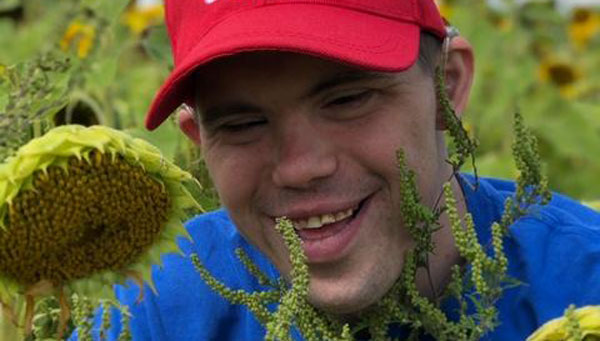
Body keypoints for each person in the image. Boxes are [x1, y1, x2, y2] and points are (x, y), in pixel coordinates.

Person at [71, 0, 600, 340]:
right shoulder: (155, 310)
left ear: (448, 87)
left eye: (347, 100)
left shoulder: (582, 283)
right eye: (243, 124)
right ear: (199, 142)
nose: (300, 168)